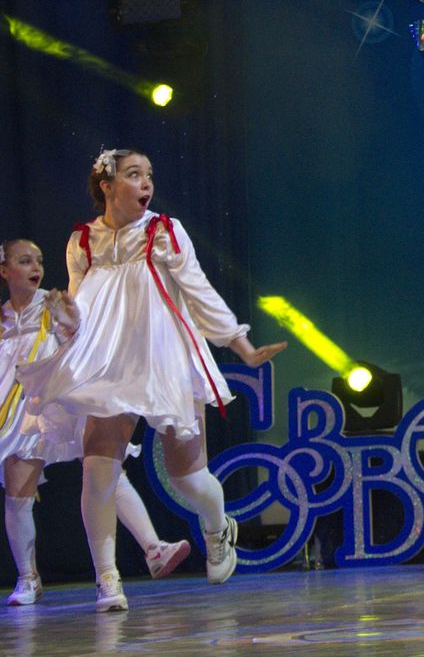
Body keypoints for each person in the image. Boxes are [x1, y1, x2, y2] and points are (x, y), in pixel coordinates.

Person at [19, 150, 286, 610]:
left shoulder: (164, 231)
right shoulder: (82, 241)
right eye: (134, 174)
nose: (146, 183)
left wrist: (239, 343)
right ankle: (107, 579)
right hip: (108, 364)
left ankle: (218, 527)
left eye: (149, 175)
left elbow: (197, 288)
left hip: (164, 358)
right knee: (97, 469)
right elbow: (82, 313)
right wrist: (65, 318)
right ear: (107, 185)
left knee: (189, 477)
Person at [0, 239, 191, 605]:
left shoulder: (53, 305)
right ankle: (28, 578)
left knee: (106, 470)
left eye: (39, 260)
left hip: (62, 402)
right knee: (17, 490)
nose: (35, 267)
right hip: (23, 415)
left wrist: (72, 322)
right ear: (5, 271)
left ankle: (153, 548)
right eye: (25, 261)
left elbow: (82, 344)